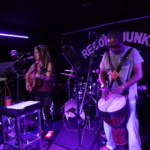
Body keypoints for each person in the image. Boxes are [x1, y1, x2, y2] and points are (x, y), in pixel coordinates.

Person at [99, 30, 144, 150]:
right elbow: (101, 73)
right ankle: (110, 144)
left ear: (122, 42)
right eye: (110, 47)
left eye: (116, 46)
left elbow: (139, 74)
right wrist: (104, 86)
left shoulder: (132, 52)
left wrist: (123, 87)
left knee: (131, 124)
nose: (113, 49)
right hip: (111, 94)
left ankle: (135, 148)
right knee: (107, 123)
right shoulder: (106, 55)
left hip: (129, 93)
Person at [25, 45, 54, 139]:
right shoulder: (35, 64)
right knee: (38, 110)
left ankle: (50, 129)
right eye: (34, 53)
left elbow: (48, 77)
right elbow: (27, 74)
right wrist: (27, 83)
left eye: (36, 52)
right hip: (38, 90)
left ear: (42, 53)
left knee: (46, 110)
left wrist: (38, 76)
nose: (35, 55)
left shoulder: (48, 63)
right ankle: (41, 129)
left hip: (47, 90)